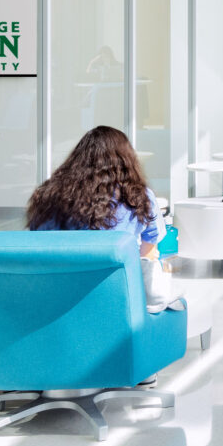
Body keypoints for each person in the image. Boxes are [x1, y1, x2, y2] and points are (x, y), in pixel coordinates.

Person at [26, 123, 176, 308]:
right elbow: (147, 257)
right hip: (117, 301)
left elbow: (37, 248)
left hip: (54, 299)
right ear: (126, 160)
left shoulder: (48, 195)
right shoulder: (139, 196)